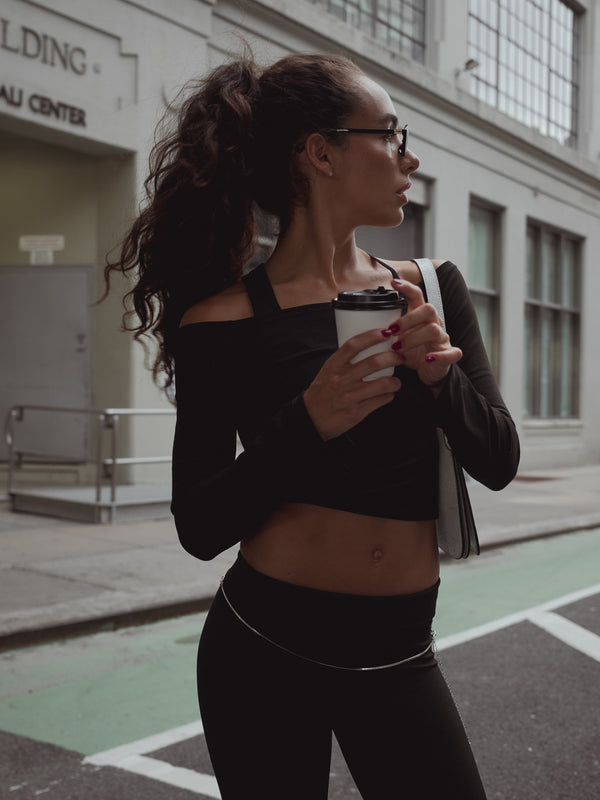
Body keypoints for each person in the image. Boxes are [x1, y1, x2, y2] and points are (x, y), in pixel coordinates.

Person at [105, 51, 519, 799]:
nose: (409, 155)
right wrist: (307, 422)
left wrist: (442, 378)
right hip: (263, 649)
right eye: (391, 134)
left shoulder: (430, 287)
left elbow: (498, 459)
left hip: (399, 650)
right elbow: (200, 523)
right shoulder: (220, 322)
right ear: (320, 152)